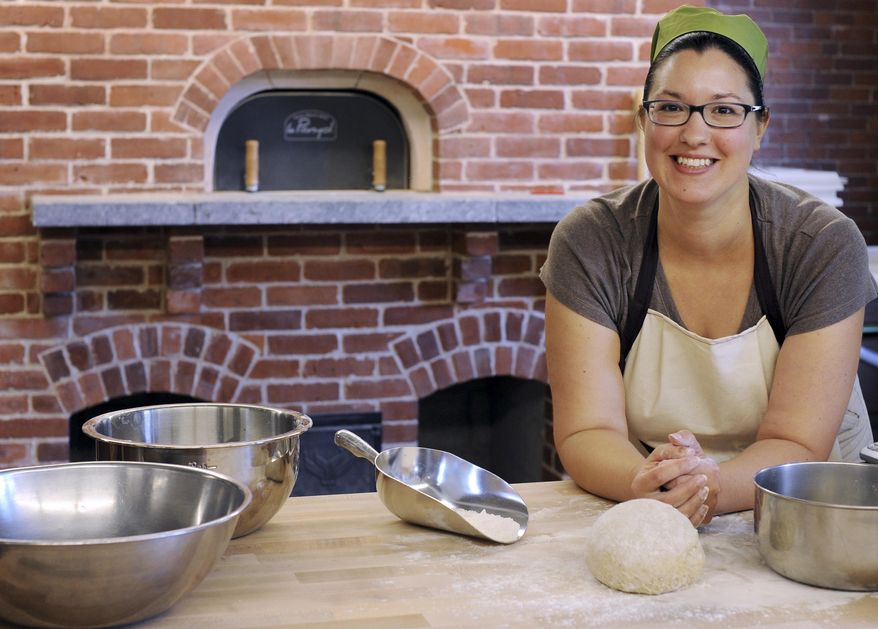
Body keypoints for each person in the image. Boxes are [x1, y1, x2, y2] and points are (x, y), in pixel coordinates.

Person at [540, 5, 877, 528]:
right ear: (644, 120)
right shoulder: (592, 240)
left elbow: (797, 438)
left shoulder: (822, 245)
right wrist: (644, 483)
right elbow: (587, 430)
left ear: (760, 126)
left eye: (724, 111)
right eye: (671, 108)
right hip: (650, 495)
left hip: (809, 505)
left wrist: (708, 488)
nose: (694, 134)